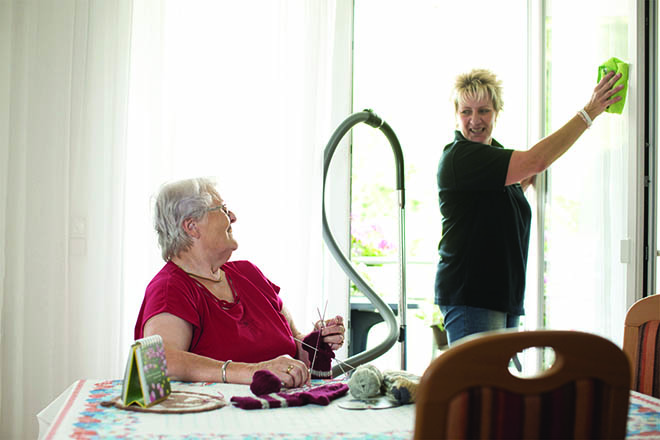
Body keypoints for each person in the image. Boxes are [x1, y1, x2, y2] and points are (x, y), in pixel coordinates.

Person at [435, 68, 624, 345]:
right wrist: (590, 111)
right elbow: (536, 161)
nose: (475, 120)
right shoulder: (461, 157)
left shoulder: (495, 162)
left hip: (501, 296)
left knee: (495, 386)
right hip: (472, 296)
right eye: (466, 111)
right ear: (456, 115)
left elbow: (521, 179)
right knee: (479, 387)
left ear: (497, 113)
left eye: (484, 110)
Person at [134, 177, 345, 387]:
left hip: (280, 410)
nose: (233, 217)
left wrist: (316, 343)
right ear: (192, 226)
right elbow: (160, 361)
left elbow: (295, 347)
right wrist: (252, 371)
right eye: (223, 209)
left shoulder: (249, 274)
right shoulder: (171, 288)